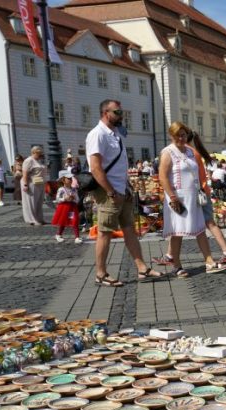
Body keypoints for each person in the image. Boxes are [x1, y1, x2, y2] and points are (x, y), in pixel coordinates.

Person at [86, 99, 164, 286]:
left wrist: (126, 186)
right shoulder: (97, 134)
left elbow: (118, 165)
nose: (121, 115)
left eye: (121, 112)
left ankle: (142, 268)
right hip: (108, 193)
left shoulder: (115, 135)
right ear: (105, 113)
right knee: (105, 232)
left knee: (129, 230)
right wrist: (111, 192)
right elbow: (95, 168)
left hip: (121, 190)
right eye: (117, 112)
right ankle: (101, 274)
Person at [152, 132, 226, 267]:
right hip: (200, 191)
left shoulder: (189, 152)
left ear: (185, 138)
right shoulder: (191, 152)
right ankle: (171, 256)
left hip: (197, 194)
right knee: (187, 226)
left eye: (182, 136)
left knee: (204, 224)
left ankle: (224, 252)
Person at [52, 172, 82, 244]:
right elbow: (57, 199)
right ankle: (58, 234)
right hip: (64, 207)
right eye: (68, 179)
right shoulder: (61, 189)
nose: (70, 180)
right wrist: (64, 199)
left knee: (75, 221)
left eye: (71, 178)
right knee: (63, 221)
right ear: (63, 180)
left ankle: (77, 237)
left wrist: (73, 199)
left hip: (72, 207)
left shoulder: (74, 189)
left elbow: (77, 199)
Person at [21, 145, 48, 225]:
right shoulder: (29, 160)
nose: (40, 154)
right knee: (31, 202)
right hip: (31, 183)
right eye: (39, 153)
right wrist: (25, 184)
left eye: (41, 153)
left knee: (39, 202)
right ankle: (32, 219)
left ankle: (39, 218)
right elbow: (25, 173)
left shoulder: (38, 160)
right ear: (33, 152)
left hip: (40, 183)